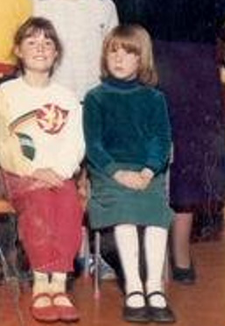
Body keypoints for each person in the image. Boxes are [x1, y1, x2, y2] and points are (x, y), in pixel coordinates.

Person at [98, 0, 225, 284]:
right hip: (142, 60)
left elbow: (222, 6)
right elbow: (111, 4)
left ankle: (180, 253)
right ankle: (136, 251)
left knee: (189, 156)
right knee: (139, 149)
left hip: (192, 64)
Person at [0, 18, 85, 323]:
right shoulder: (6, 93)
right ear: (18, 50)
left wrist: (60, 170)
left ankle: (59, 284)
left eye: (47, 42)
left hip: (58, 174)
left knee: (69, 200)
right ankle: (40, 283)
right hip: (18, 174)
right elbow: (4, 142)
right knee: (41, 200)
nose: (40, 48)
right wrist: (33, 169)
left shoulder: (66, 96)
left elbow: (75, 142)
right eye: (31, 42)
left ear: (56, 52)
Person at [83, 25, 176, 323]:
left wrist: (149, 171)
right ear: (105, 56)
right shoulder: (95, 98)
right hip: (109, 173)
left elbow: (161, 141)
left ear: (142, 59)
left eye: (128, 53)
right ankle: (134, 286)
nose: (119, 58)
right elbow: (94, 146)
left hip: (147, 173)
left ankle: (154, 288)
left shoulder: (154, 98)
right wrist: (117, 173)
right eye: (114, 51)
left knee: (155, 214)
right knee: (125, 211)